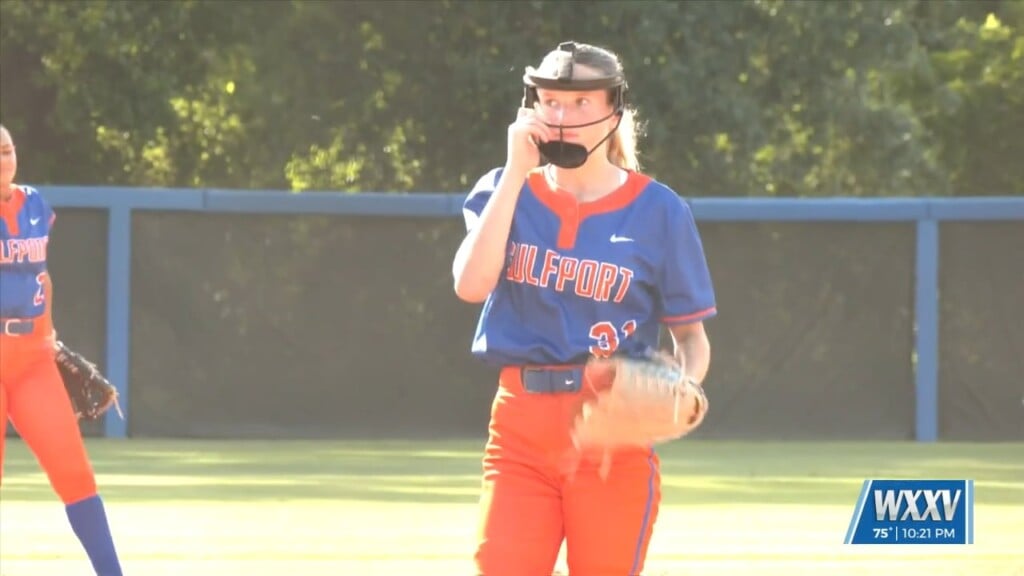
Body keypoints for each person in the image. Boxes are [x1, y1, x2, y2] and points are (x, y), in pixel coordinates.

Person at [452, 41, 717, 576]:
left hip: (610, 431)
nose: (562, 116)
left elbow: (691, 340)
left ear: (613, 112)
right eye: (550, 101)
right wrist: (515, 172)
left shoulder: (659, 210)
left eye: (580, 103)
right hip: (520, 426)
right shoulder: (505, 189)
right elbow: (471, 285)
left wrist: (679, 389)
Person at [0, 123, 125, 576]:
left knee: (75, 474)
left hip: (32, 360)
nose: (4, 160)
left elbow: (42, 276)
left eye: (7, 150)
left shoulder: (35, 204)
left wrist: (49, 334)